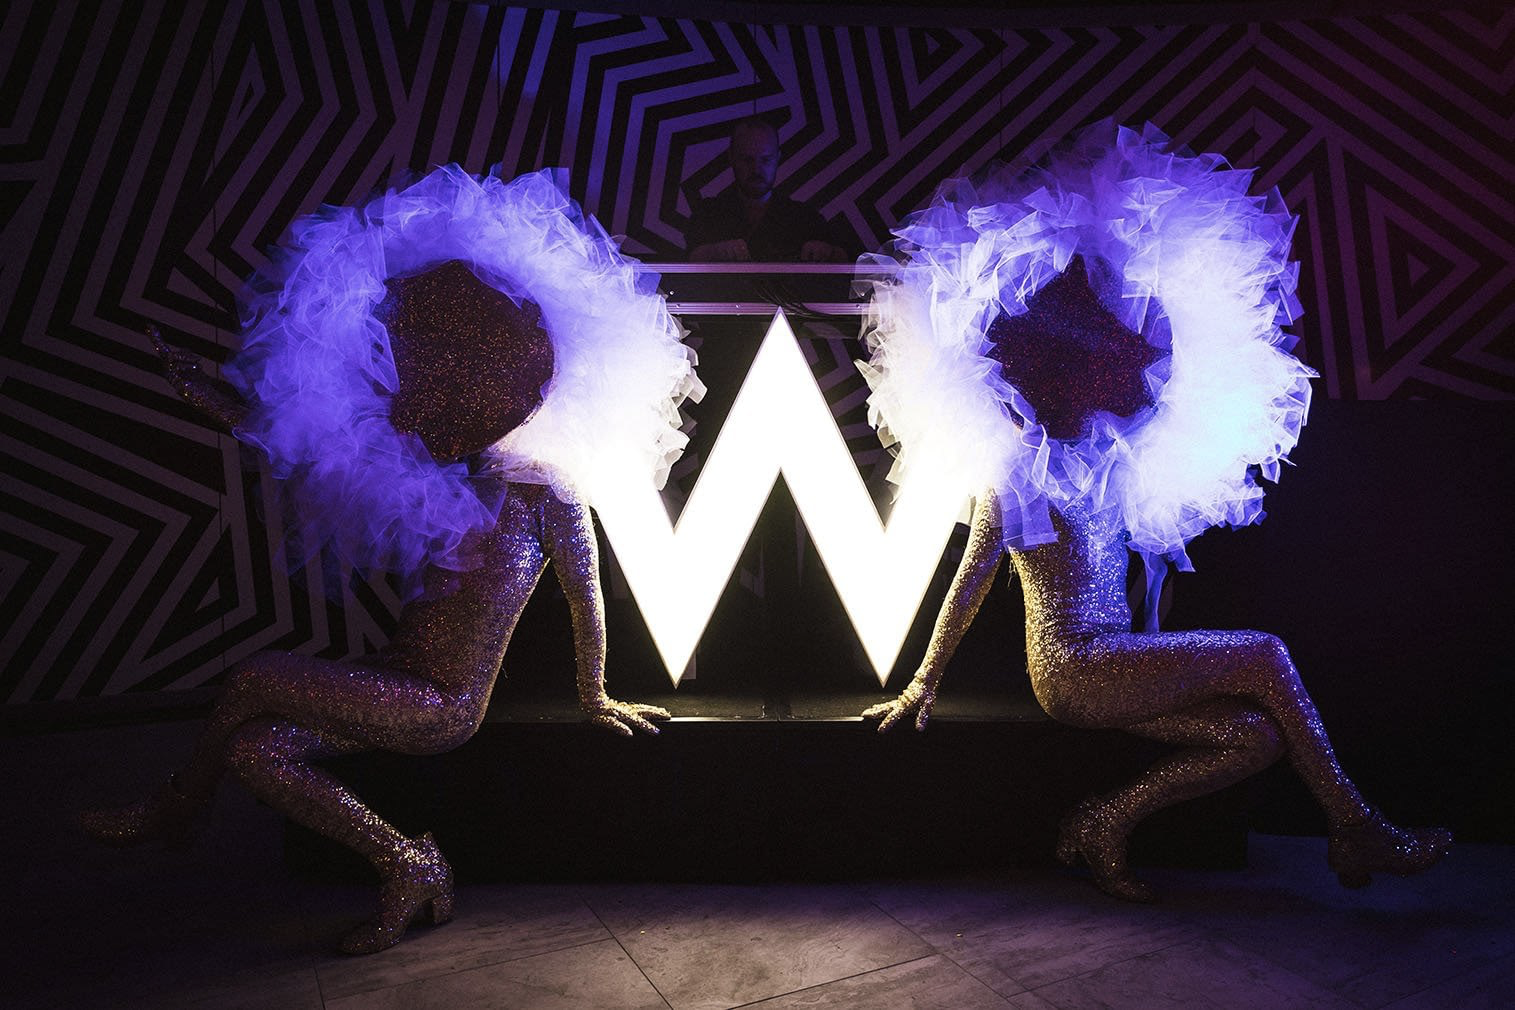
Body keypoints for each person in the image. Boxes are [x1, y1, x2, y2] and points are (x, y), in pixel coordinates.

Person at [82, 167, 699, 953]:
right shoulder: (444, 471)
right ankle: (407, 862)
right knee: (251, 749)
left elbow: (586, 594)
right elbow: (321, 449)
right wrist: (222, 405)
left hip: (439, 707)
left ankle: (174, 811)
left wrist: (595, 695)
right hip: (393, 676)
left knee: (251, 677)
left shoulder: (545, 490)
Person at [859, 122, 1451, 901]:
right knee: (1267, 654)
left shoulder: (1108, 457)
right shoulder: (1012, 473)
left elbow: (1139, 573)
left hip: (1117, 662)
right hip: (1072, 670)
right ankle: (1355, 826)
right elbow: (970, 579)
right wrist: (923, 684)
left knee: (1255, 735)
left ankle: (1106, 819)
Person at [686, 117, 849, 263]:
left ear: (777, 158)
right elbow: (688, 260)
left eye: (765, 159)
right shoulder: (707, 214)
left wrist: (828, 252)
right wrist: (715, 252)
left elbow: (845, 258)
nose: (756, 169)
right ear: (732, 158)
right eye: (747, 159)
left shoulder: (804, 217)